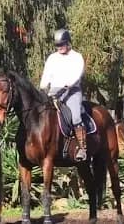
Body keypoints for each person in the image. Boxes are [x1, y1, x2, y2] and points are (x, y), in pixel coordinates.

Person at [40, 29, 87, 161]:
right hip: (54, 92)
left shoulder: (77, 57)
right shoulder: (52, 58)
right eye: (57, 45)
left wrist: (69, 84)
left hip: (72, 91)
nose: (59, 47)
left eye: (62, 44)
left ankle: (82, 148)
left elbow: (78, 74)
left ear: (68, 43)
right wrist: (43, 87)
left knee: (76, 116)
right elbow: (46, 75)